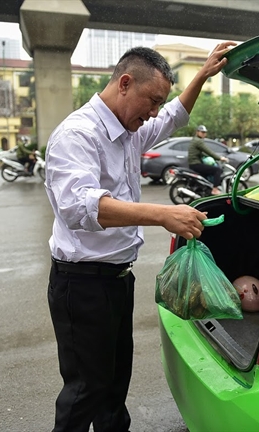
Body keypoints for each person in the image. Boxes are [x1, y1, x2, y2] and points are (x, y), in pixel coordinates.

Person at [44, 42, 235, 432]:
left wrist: (200, 75)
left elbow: (173, 117)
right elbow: (79, 207)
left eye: (157, 103)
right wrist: (164, 215)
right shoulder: (79, 135)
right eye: (151, 101)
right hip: (81, 283)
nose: (152, 113)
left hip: (116, 280)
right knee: (86, 391)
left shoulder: (129, 131)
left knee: (114, 386)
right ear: (125, 83)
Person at [188, 124, 228, 195]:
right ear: (197, 132)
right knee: (217, 170)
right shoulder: (198, 141)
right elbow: (208, 151)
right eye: (202, 132)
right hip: (196, 164)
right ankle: (215, 189)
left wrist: (213, 158)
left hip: (193, 164)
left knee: (207, 175)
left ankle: (205, 191)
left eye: (205, 132)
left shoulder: (194, 139)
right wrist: (220, 158)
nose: (204, 134)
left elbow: (203, 153)